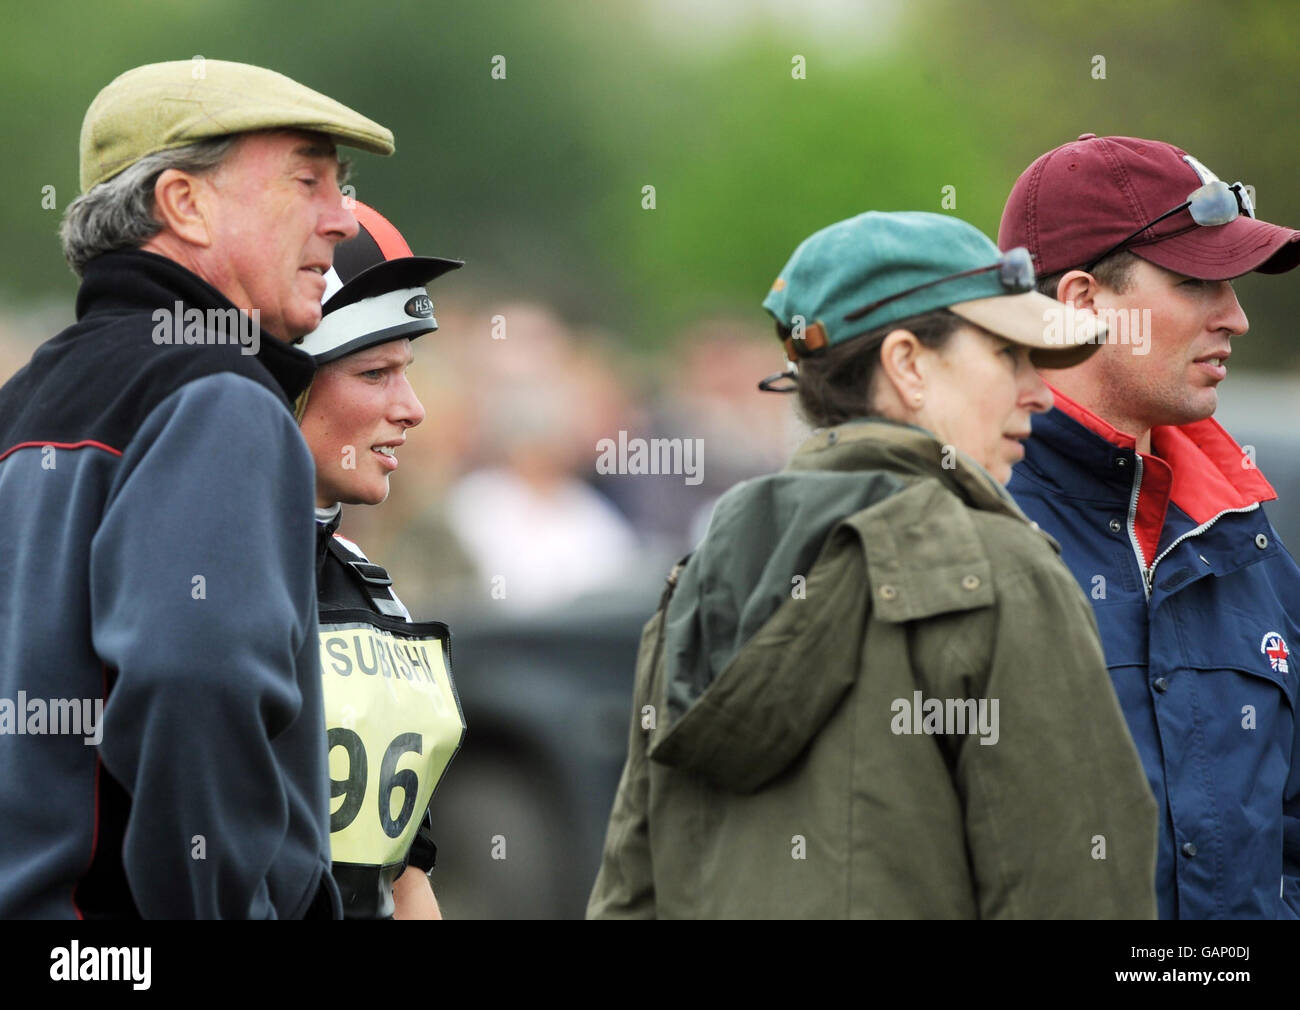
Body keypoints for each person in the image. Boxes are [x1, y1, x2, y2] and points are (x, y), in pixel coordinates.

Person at [588, 210, 1158, 919]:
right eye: (1008, 356)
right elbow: (1078, 892)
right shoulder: (1001, 570)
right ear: (908, 365)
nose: (1039, 393)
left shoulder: (702, 573)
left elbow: (629, 890)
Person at [0, 60, 393, 918]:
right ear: (184, 203)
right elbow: (193, 687)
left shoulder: (22, 401)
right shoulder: (218, 398)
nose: (343, 219)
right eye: (309, 179)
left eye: (345, 185)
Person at [998, 134, 1300, 919]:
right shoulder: (964, 530)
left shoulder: (1246, 542)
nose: (1234, 317)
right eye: (1198, 282)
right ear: (1081, 304)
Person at [294, 200, 467, 920]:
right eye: (374, 373)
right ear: (283, 383)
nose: (413, 407)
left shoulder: (373, 592)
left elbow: (403, 877)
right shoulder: (171, 581)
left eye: (408, 369)